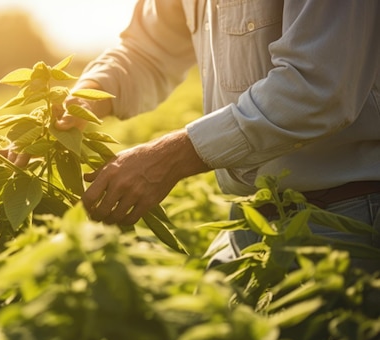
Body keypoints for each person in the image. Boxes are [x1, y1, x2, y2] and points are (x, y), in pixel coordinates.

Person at [37, 0, 380, 268]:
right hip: (251, 217)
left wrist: (172, 156)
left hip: (346, 216)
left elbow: (316, 88)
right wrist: (82, 100)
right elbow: (148, 51)